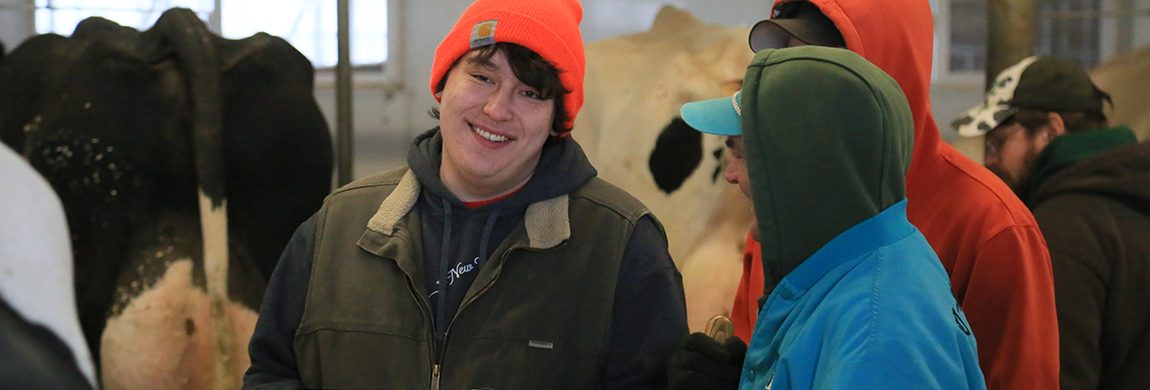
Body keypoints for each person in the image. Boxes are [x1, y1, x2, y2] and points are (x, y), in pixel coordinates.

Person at [242, 0, 688, 388]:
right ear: (442, 82)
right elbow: (271, 373)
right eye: (482, 77)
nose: (497, 109)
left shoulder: (621, 245)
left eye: (530, 92)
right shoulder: (337, 226)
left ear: (557, 120)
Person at [724, 2, 1059, 389]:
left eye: (813, 65)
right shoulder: (785, 211)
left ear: (881, 73)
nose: (786, 91)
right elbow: (760, 344)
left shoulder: (993, 226)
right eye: (782, 61)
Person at [669, 45, 986, 389]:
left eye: (743, 155)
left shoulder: (873, 343)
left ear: (803, 169)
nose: (730, 175)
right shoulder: (861, 267)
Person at [954, 55, 1150, 390]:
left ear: (1051, 130)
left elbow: (1058, 376)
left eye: (999, 142)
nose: (990, 159)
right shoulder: (1130, 194)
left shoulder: (1063, 232)